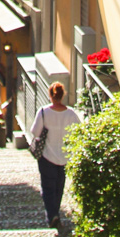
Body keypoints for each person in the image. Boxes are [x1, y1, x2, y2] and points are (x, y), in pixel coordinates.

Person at [30, 81, 80, 228]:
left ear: (50, 95)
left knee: (48, 187)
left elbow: (35, 132)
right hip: (65, 156)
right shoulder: (71, 114)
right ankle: (55, 212)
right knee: (59, 186)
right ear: (63, 95)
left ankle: (52, 214)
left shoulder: (44, 112)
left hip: (47, 155)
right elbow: (78, 131)